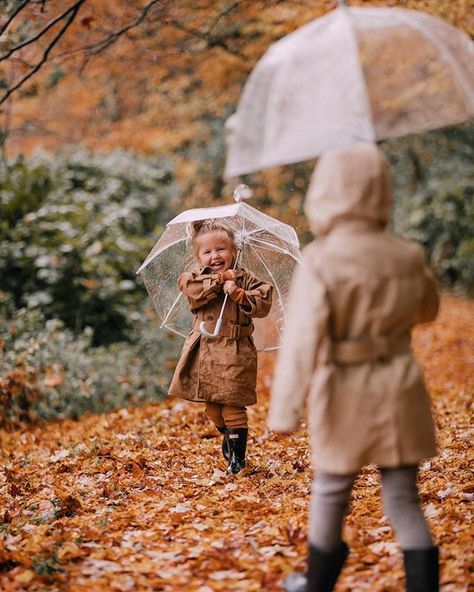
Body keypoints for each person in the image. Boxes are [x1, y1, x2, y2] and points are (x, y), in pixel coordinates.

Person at [268, 144, 440, 592]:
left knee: (331, 490)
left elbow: (302, 342)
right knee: (403, 497)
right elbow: (428, 309)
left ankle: (316, 585)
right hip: (400, 385)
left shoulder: (323, 259)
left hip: (344, 387)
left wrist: (284, 412)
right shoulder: (407, 254)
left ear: (324, 193)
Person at [169, 219, 273, 473]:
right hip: (205, 349)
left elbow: (263, 301)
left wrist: (238, 293)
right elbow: (193, 292)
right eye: (207, 252)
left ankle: (238, 460)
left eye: (221, 249)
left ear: (234, 251)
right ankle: (229, 436)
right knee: (213, 408)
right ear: (198, 256)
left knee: (232, 404)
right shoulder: (193, 278)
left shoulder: (245, 279)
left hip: (236, 349)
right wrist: (219, 281)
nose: (215, 256)